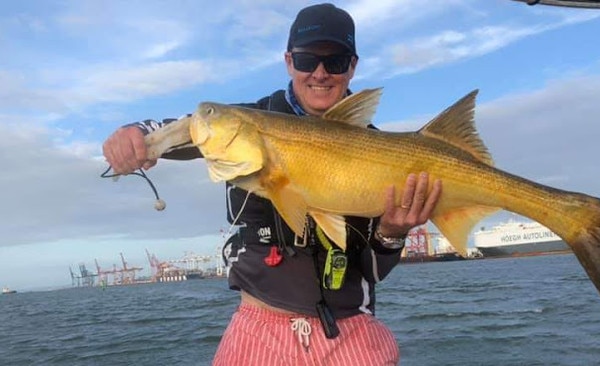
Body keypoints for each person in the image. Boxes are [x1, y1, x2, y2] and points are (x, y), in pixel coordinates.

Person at [103, 3, 442, 365]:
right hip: (258, 331)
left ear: (353, 66)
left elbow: (374, 273)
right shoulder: (246, 121)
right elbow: (184, 126)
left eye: (336, 62)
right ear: (288, 61)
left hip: (354, 334)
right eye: (307, 59)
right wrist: (135, 133)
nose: (320, 73)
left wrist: (392, 231)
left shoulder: (383, 151)